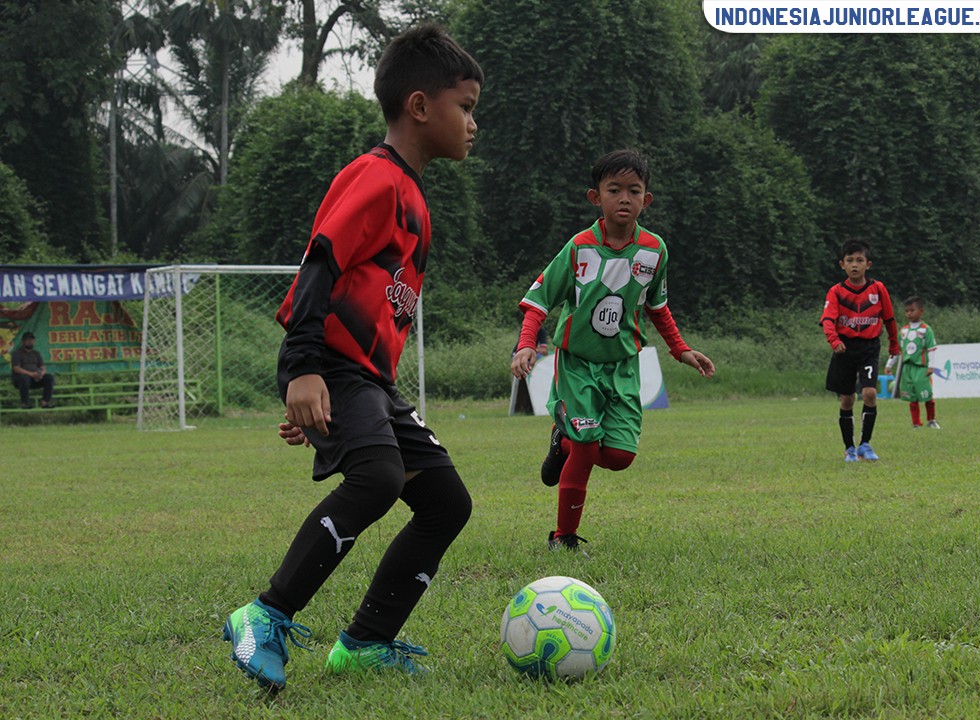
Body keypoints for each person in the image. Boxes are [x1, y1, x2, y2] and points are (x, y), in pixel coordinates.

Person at [221, 24, 483, 692]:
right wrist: (305, 370)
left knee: (447, 502)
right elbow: (320, 264)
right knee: (379, 479)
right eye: (467, 106)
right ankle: (266, 614)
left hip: (366, 382)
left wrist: (332, 402)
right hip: (334, 366)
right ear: (421, 107)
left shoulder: (417, 199)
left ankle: (366, 641)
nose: (473, 123)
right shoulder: (376, 179)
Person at [511, 149, 714, 554]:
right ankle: (563, 538)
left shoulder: (655, 251)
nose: (624, 198)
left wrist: (681, 350)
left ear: (646, 200)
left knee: (619, 456)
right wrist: (526, 345)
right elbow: (538, 300)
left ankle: (562, 440)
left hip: (623, 367)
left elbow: (657, 306)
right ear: (595, 197)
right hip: (578, 366)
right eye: (614, 189)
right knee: (587, 447)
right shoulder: (579, 248)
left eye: (634, 191)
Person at [820, 239, 900, 462]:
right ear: (842, 265)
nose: (855, 265)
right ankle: (849, 448)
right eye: (850, 261)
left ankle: (865, 444)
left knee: (870, 393)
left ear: (868, 264)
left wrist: (894, 344)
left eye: (859, 260)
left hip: (868, 347)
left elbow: (890, 318)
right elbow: (827, 319)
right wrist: (834, 340)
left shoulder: (878, 289)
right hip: (844, 348)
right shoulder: (836, 292)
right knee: (847, 399)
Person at [886, 295, 940, 429]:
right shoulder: (903, 331)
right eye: (907, 311)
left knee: (927, 395)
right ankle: (916, 423)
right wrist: (889, 365)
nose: (909, 313)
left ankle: (931, 420)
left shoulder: (926, 330)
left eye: (912, 310)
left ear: (921, 311)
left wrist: (931, 366)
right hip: (907, 369)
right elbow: (897, 350)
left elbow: (931, 349)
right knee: (912, 397)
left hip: (921, 368)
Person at [10, 332, 55, 409]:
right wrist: (31, 374)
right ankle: (25, 403)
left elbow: (42, 366)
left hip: (35, 379)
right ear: (23, 341)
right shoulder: (17, 353)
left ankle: (45, 402)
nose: (30, 341)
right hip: (21, 381)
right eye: (28, 340)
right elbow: (16, 368)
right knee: (24, 378)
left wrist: (41, 373)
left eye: (32, 340)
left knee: (49, 377)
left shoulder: (36, 353)